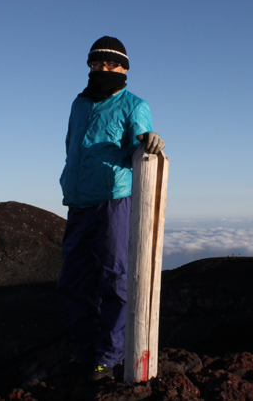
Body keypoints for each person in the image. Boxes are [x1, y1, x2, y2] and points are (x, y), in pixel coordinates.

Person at [56, 36, 164, 381]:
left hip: (113, 202)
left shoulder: (134, 104)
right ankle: (86, 350)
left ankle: (109, 356)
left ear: (124, 69)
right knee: (73, 283)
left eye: (110, 64)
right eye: (96, 64)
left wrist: (150, 141)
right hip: (78, 202)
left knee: (115, 280)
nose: (103, 70)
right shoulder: (79, 104)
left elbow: (143, 141)